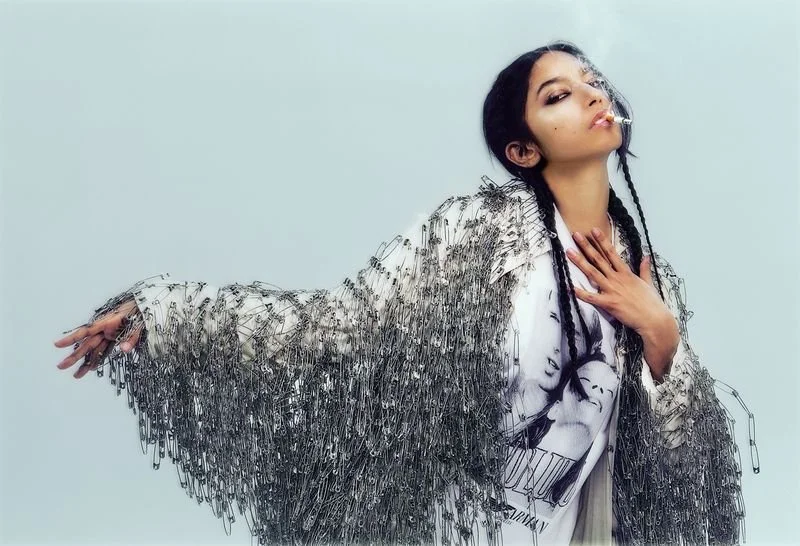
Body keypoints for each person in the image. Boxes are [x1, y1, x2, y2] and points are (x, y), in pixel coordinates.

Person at [53, 40, 758, 545]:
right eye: (558, 95)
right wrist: (168, 313)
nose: (593, 94)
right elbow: (336, 326)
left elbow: (681, 467)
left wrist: (662, 336)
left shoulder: (649, 278)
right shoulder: (472, 235)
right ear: (523, 150)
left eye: (592, 81)